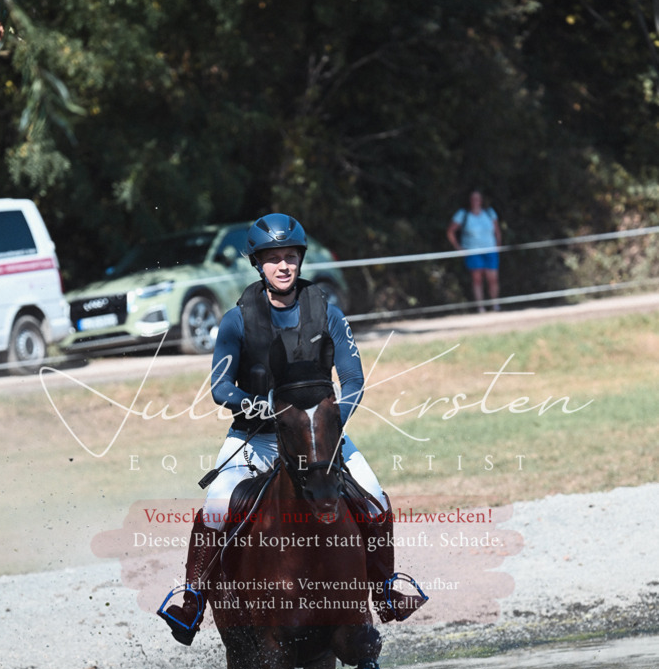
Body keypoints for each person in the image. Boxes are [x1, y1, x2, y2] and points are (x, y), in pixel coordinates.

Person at [158, 213, 427, 644]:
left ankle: (386, 589)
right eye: (273, 259)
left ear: (300, 260)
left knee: (375, 498)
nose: (283, 266)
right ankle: (191, 600)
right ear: (257, 264)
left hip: (320, 438)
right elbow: (220, 388)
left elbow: (354, 380)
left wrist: (329, 421)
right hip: (255, 439)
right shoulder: (236, 320)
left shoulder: (329, 312)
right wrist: (263, 407)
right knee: (215, 507)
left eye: (290, 257)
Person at [447, 190, 502, 312]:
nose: (475, 201)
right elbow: (450, 231)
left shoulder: (489, 212)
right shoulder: (463, 214)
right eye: (473, 198)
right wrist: (459, 248)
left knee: (492, 277)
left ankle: (495, 304)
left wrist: (498, 246)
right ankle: (480, 307)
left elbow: (497, 230)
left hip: (490, 249)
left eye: (478, 198)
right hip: (473, 251)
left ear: (481, 200)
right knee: (477, 279)